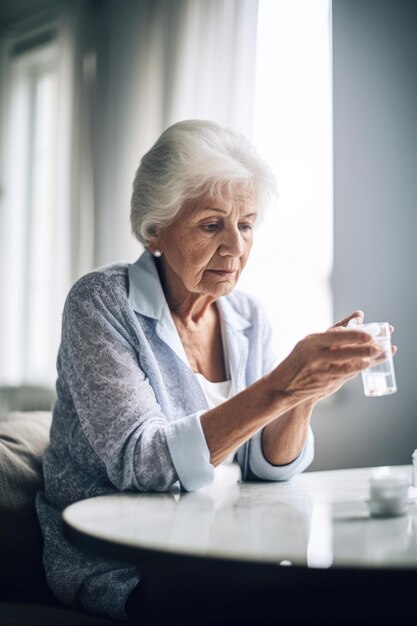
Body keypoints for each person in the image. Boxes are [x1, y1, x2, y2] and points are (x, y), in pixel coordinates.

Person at [36, 119, 394, 622]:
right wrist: (280, 386)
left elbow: (266, 469)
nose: (235, 247)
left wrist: (305, 394)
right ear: (156, 230)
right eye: (211, 225)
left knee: (364, 592)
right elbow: (144, 466)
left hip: (224, 546)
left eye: (245, 224)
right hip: (125, 562)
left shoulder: (247, 315)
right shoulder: (101, 303)